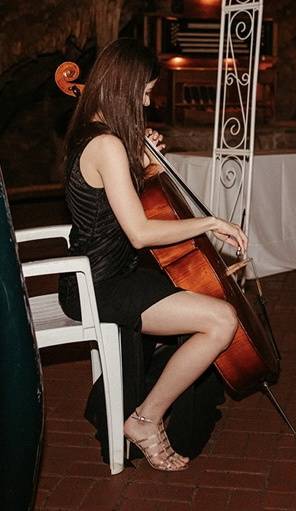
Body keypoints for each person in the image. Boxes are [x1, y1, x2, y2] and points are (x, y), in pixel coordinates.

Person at [58, 38, 247, 472]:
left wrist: (145, 167)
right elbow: (141, 233)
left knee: (202, 307)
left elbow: (110, 208)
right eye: (144, 92)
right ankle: (144, 419)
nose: (147, 100)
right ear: (125, 88)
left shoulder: (97, 135)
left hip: (107, 275)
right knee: (221, 321)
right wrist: (209, 222)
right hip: (99, 285)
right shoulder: (106, 145)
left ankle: (149, 410)